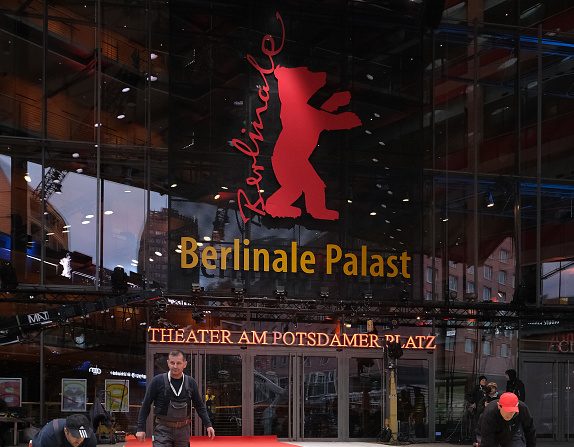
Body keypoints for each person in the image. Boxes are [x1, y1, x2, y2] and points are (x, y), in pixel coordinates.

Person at [136, 350, 215, 447]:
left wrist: (208, 425)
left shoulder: (191, 382)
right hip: (163, 429)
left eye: (179, 363)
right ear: (168, 363)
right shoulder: (157, 381)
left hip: (183, 431)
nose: (175, 366)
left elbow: (200, 406)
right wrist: (140, 428)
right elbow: (146, 405)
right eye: (172, 363)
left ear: (184, 364)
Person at [30, 414, 96, 447]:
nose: (79, 440)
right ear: (66, 431)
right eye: (75, 436)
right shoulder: (50, 435)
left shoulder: (90, 437)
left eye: (82, 435)